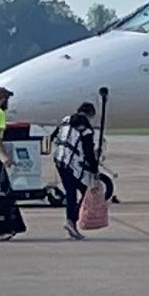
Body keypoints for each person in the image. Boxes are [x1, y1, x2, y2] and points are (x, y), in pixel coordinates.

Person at [52, 95, 104, 236]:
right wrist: (94, 168)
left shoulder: (65, 120)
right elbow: (88, 150)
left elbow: (54, 137)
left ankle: (72, 221)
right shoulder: (85, 127)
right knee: (78, 192)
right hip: (71, 164)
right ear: (90, 114)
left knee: (75, 191)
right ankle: (71, 221)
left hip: (59, 161)